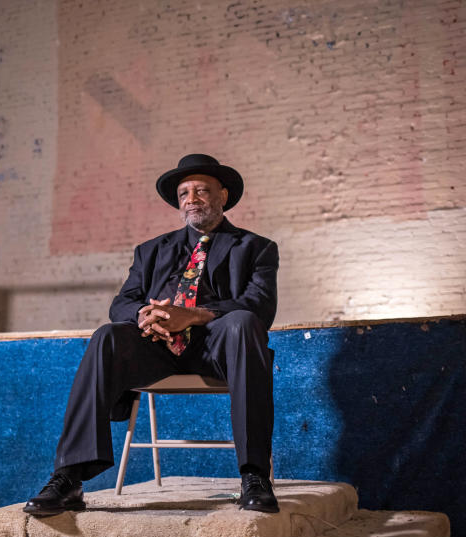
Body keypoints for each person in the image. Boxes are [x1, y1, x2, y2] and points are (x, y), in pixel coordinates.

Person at [24, 154, 279, 516]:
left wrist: (190, 316)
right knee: (107, 336)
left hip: (219, 345)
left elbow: (260, 305)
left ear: (222, 195)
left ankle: (254, 476)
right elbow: (123, 303)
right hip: (158, 347)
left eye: (202, 191)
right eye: (184, 193)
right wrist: (147, 315)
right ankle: (69, 478)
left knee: (243, 323)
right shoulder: (152, 250)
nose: (192, 199)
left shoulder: (256, 247)